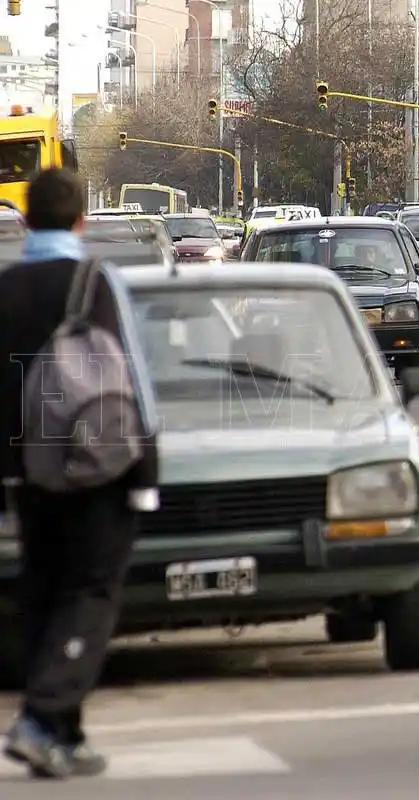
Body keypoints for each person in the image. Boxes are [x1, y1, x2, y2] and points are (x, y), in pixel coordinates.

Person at [0, 169, 141, 780]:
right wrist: (146, 466)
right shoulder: (95, 284)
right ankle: (41, 716)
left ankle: (64, 734)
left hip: (29, 472)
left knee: (43, 591)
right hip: (96, 467)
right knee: (91, 593)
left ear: (26, 221)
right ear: (83, 220)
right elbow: (130, 380)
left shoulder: (5, 289)